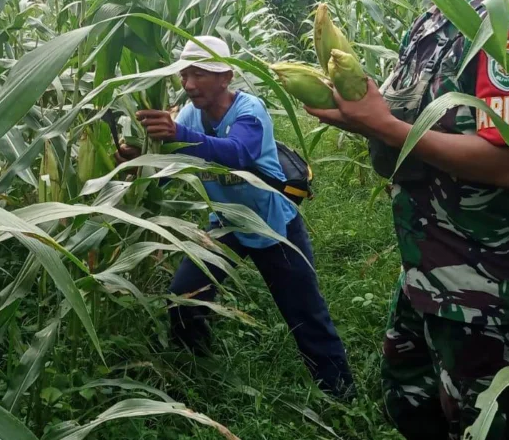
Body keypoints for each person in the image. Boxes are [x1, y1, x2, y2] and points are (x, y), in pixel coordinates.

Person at [304, 0, 509, 439]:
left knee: (484, 426)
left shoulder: (508, 24)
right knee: (411, 406)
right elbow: (399, 121)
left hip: (484, 287)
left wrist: (387, 125)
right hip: (425, 270)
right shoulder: (431, 24)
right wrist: (358, 115)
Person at [117, 35, 357, 401]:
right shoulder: (189, 114)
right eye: (185, 75)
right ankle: (196, 369)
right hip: (226, 224)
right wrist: (137, 162)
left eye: (200, 74)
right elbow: (176, 167)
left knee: (305, 312)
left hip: (273, 227)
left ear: (226, 76)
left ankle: (339, 393)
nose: (189, 84)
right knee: (183, 297)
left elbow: (238, 154)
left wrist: (178, 133)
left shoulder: (249, 110)